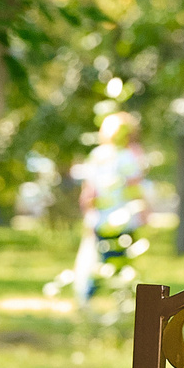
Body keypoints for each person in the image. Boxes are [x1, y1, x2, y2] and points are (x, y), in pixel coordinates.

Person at [74, 114, 150, 305]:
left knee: (107, 260)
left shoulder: (97, 156)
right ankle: (103, 299)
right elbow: (135, 188)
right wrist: (144, 211)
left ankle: (101, 299)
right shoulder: (127, 157)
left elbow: (88, 193)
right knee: (115, 262)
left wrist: (89, 215)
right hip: (122, 219)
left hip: (104, 220)